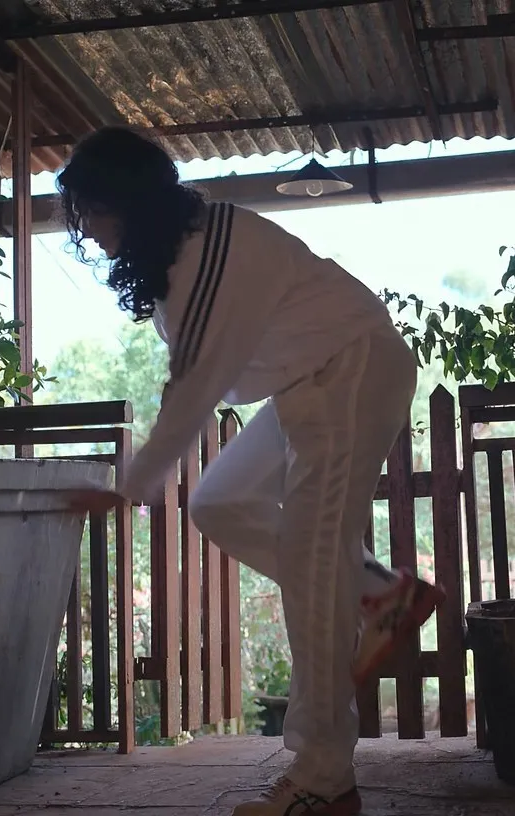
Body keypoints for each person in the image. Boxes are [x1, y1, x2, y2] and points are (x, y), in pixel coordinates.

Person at [56, 127, 443, 816]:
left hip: (348, 369)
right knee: (220, 501)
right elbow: (203, 377)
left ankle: (323, 780)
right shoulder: (181, 257)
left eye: (89, 208)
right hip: (312, 381)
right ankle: (381, 592)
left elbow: (195, 386)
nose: (84, 227)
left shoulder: (206, 246)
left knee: (314, 566)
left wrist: (128, 487)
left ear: (124, 198)